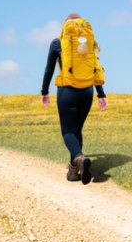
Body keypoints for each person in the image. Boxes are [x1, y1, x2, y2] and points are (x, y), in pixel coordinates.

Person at [41, 13, 108, 184]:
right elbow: (95, 67)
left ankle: (78, 158)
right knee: (77, 130)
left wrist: (44, 91)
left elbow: (49, 69)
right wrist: (101, 93)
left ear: (65, 27)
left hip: (67, 91)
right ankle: (73, 170)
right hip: (87, 91)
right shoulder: (88, 41)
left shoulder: (58, 42)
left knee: (68, 131)